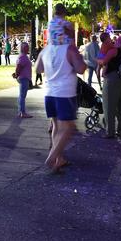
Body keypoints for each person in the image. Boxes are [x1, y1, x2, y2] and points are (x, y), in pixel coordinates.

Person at [35, 31, 86, 172]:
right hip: (64, 93)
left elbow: (38, 68)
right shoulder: (68, 49)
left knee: (56, 126)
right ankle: (52, 157)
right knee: (68, 127)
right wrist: (79, 58)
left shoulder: (46, 49)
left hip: (49, 93)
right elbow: (81, 69)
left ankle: (59, 159)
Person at [98, 36, 121, 137]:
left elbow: (103, 62)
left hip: (112, 79)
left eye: (118, 40)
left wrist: (96, 59)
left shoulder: (114, 51)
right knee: (120, 106)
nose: (114, 40)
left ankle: (110, 132)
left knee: (108, 106)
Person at [14, 42, 33, 118]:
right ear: (23, 48)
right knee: (22, 96)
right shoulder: (23, 57)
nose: (28, 48)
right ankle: (22, 112)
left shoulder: (23, 56)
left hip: (24, 77)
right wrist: (16, 74)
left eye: (28, 46)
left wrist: (16, 74)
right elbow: (18, 67)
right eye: (27, 47)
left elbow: (19, 67)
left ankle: (20, 111)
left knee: (21, 95)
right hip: (23, 78)